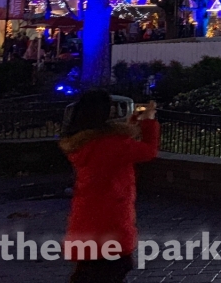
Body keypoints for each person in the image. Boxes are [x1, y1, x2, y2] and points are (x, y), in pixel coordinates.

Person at [60, 90, 160, 283]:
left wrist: (131, 124)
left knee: (91, 272)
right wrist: (148, 122)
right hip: (110, 221)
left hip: (86, 221)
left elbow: (118, 146)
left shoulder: (82, 143)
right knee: (115, 268)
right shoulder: (112, 144)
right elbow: (148, 151)